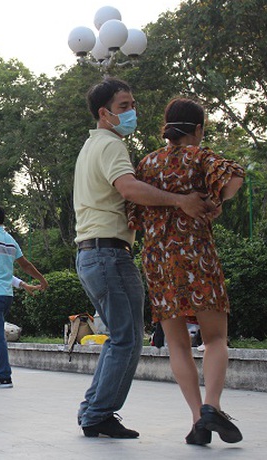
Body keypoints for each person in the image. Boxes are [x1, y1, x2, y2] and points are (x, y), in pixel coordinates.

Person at [73, 78, 214, 439]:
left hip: (93, 254)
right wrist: (181, 200)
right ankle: (98, 413)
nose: (131, 111)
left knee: (121, 336)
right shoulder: (111, 145)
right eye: (124, 106)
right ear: (104, 114)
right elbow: (129, 188)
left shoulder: (93, 144)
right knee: (129, 338)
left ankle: (93, 409)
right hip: (107, 254)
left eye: (132, 104)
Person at [127, 98, 245, 445]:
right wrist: (216, 200)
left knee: (176, 343)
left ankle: (197, 418)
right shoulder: (200, 156)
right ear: (197, 129)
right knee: (215, 338)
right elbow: (235, 175)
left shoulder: (146, 164)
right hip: (197, 255)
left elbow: (133, 213)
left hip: (158, 259)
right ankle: (212, 406)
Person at [0, 204, 48, 388]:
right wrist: (42, 279)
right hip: (5, 294)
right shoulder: (10, 240)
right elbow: (25, 265)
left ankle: (3, 376)